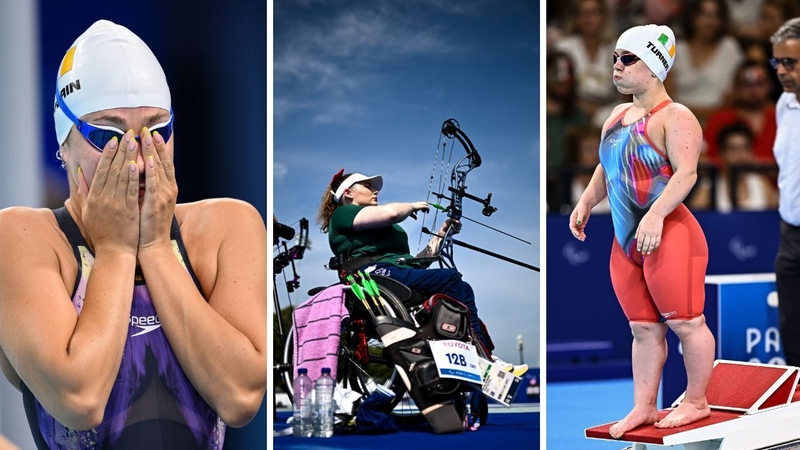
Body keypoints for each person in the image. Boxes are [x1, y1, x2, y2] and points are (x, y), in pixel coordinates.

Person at [0, 20, 266, 449]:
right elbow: (80, 399)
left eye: (157, 131)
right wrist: (118, 249)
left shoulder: (226, 226)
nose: (136, 158)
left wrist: (157, 246)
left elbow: (240, 398)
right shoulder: (23, 239)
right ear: (63, 144)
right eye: (107, 135)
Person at [569, 24, 715, 438]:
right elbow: (607, 165)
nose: (616, 65)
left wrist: (655, 216)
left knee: (687, 323)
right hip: (626, 240)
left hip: (669, 234)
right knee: (643, 329)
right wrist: (585, 201)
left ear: (654, 67)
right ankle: (644, 406)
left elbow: (687, 174)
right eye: (615, 57)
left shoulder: (677, 116)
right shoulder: (616, 117)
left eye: (627, 59)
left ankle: (696, 400)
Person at [316, 170, 527, 376]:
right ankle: (475, 356)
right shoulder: (342, 214)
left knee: (461, 288)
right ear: (348, 193)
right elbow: (391, 213)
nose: (375, 191)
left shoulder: (380, 225)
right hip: (373, 277)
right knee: (451, 279)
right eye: (367, 186)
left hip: (393, 272)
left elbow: (416, 263)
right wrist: (412, 206)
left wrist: (442, 233)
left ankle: (482, 354)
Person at [770, 18, 800, 368]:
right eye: (776, 61)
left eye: (789, 62)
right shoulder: (784, 104)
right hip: (790, 234)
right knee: (792, 329)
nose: (780, 70)